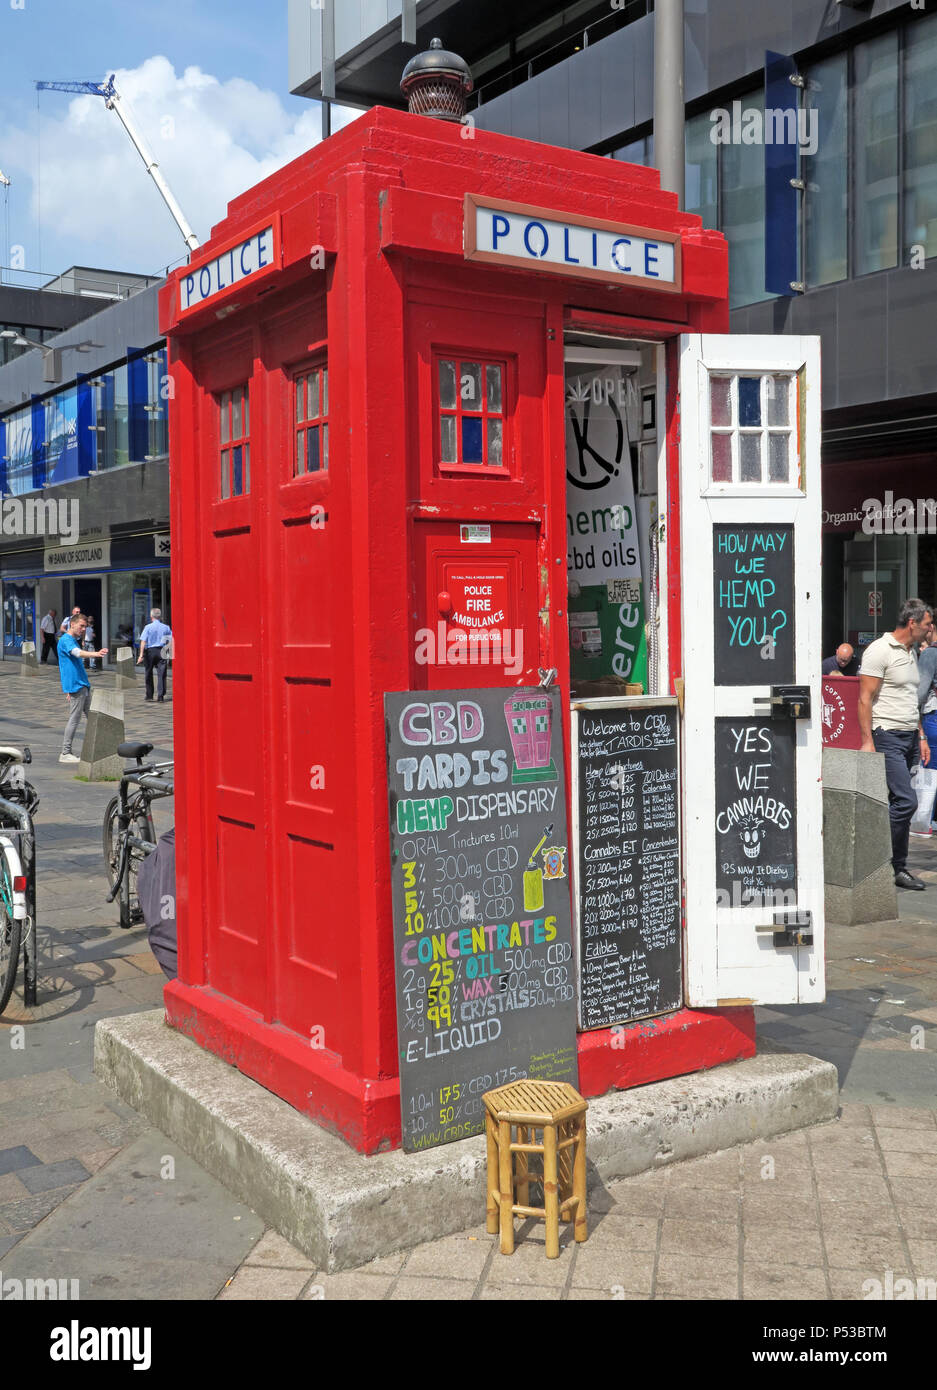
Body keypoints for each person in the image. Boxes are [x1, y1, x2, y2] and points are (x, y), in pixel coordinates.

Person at [858, 598, 933, 890]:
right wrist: (867, 741)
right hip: (887, 735)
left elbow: (910, 699)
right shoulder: (880, 650)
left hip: (910, 737)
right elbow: (865, 698)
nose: (930, 630)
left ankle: (896, 868)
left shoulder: (911, 652)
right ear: (912, 623)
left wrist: (922, 736)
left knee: (897, 803)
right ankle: (878, 863)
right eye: (927, 624)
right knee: (906, 801)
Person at [57, 614, 107, 764]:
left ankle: (99, 748)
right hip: (76, 685)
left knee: (93, 718)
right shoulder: (66, 640)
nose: (84, 629)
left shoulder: (72, 640)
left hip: (81, 684)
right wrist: (96, 654)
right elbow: (77, 653)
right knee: (75, 718)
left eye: (85, 626)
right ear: (72, 624)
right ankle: (65, 752)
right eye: (81, 626)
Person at [137, 607, 172, 702]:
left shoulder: (148, 627)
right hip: (162, 650)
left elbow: (143, 641)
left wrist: (141, 655)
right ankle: (160, 696)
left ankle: (149, 695)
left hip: (150, 651)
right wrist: (169, 655)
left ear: (151, 616)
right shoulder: (166, 627)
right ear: (160, 616)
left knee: (148, 673)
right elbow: (169, 641)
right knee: (162, 674)